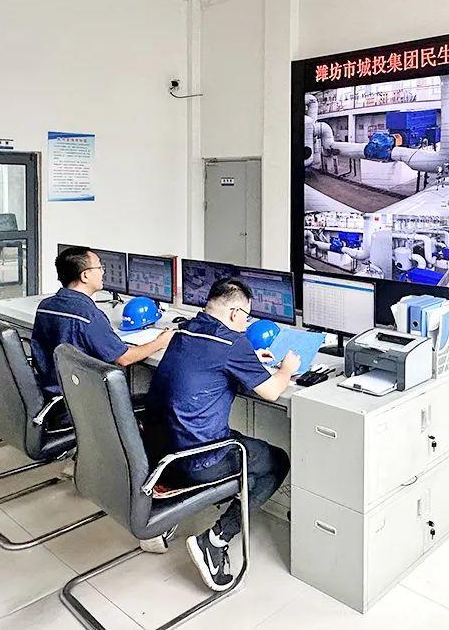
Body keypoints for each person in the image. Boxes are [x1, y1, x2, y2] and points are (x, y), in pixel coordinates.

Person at [144, 278, 301, 592]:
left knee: (247, 454)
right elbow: (272, 391)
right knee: (276, 462)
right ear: (234, 314)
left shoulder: (184, 330)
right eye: (246, 318)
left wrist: (249, 360)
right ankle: (216, 540)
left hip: (158, 456)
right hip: (197, 461)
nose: (246, 325)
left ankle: (176, 514)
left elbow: (207, 365)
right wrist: (286, 369)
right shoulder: (232, 343)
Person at [31, 246, 174, 417]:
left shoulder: (45, 306)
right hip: (83, 403)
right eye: (99, 267)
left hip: (53, 394)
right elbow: (124, 358)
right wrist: (161, 342)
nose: (103, 272)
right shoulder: (88, 316)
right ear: (85, 275)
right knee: (162, 401)